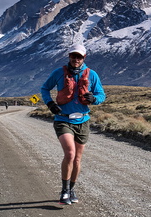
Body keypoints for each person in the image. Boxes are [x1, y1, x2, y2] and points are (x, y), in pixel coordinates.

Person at [41, 43, 106, 205]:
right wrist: (50, 104)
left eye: (79, 56)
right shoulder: (58, 73)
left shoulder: (92, 75)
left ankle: (72, 189)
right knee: (70, 154)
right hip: (63, 119)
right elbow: (45, 89)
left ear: (84, 57)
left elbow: (101, 95)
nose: (75, 59)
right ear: (69, 56)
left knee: (77, 159)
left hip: (82, 120)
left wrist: (95, 99)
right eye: (73, 56)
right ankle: (64, 191)